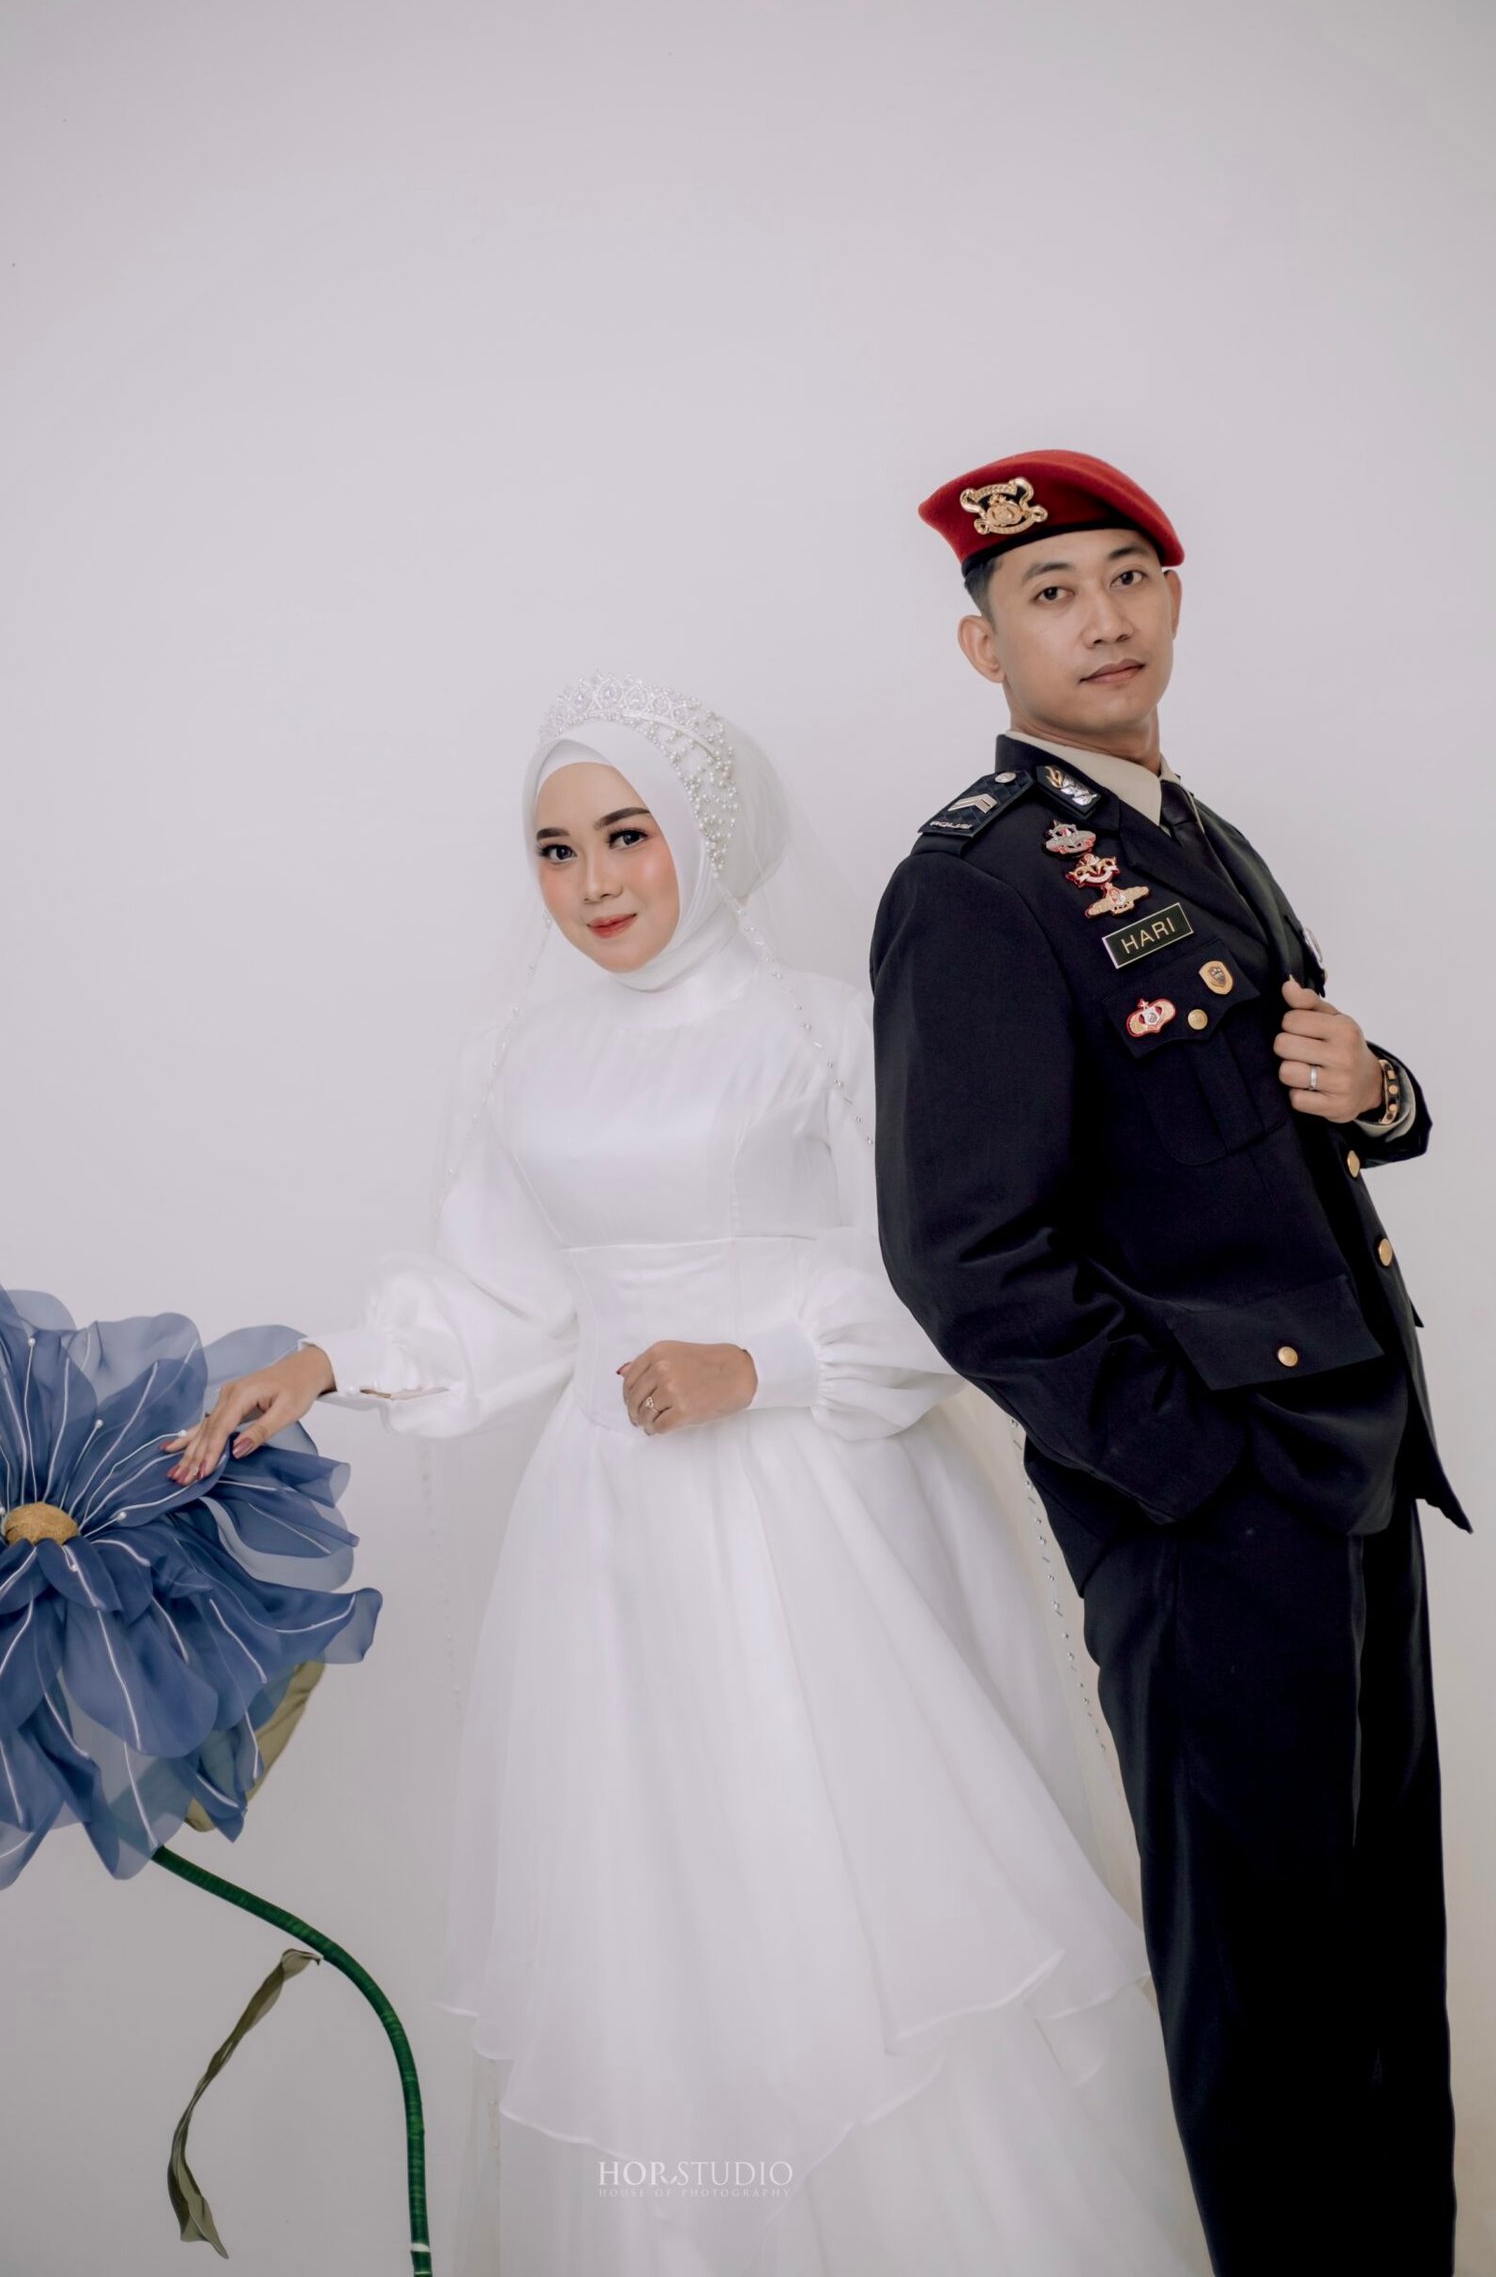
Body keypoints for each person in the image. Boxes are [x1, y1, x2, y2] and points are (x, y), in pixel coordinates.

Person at [160, 677, 1211, 2277]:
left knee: (855, 1897)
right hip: (610, 1541)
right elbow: (506, 1292)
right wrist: (326, 1359)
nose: (594, 882)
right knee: (660, 1919)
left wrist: (760, 1360)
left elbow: (950, 1269)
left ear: (706, 837)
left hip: (817, 1522)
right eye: (557, 849)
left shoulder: (825, 1030)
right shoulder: (521, 1055)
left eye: (629, 835)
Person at [869, 448, 1467, 2277]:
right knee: (1271, 2004)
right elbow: (965, 1257)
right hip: (1216, 1511)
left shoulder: (1189, 830)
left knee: (1383, 1969)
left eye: (1129, 575)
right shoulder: (976, 888)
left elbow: (1283, 1121)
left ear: (1176, 599)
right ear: (982, 647)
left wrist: (1383, 1092)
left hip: (1352, 1464)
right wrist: (1196, 1476)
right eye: (1049, 592)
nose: (1102, 616)